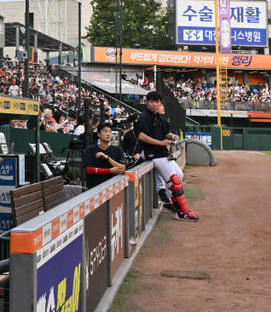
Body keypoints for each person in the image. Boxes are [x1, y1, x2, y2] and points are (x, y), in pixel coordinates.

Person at [135, 91, 199, 221]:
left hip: (162, 153)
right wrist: (160, 142)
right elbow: (141, 136)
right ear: (147, 102)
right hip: (153, 154)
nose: (154, 104)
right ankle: (182, 213)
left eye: (157, 102)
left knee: (179, 176)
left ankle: (170, 203)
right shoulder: (144, 117)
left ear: (160, 103)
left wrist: (171, 136)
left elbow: (164, 134)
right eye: (152, 101)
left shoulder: (158, 118)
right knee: (173, 181)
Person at [82, 123, 126, 188]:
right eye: (105, 131)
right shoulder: (90, 149)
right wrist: (110, 171)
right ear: (99, 134)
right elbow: (89, 170)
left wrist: (107, 158)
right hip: (95, 188)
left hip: (113, 187)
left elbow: (123, 168)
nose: (108, 134)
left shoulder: (117, 150)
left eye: (110, 132)